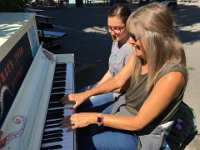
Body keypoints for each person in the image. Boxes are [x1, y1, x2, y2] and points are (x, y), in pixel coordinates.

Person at [61, 2, 188, 150]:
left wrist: (95, 118)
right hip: (124, 109)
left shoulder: (173, 75)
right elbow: (118, 80)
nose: (130, 41)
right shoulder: (141, 52)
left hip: (141, 135)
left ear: (154, 38)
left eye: (134, 36)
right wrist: (85, 94)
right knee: (80, 127)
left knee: (85, 144)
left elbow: (138, 122)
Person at [78, 4, 132, 112]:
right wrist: (98, 85)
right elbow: (112, 70)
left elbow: (124, 86)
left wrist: (96, 91)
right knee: (79, 95)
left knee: (83, 109)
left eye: (117, 28)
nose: (111, 32)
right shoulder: (117, 40)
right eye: (109, 27)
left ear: (129, 25)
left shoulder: (132, 48)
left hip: (121, 94)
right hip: (111, 87)